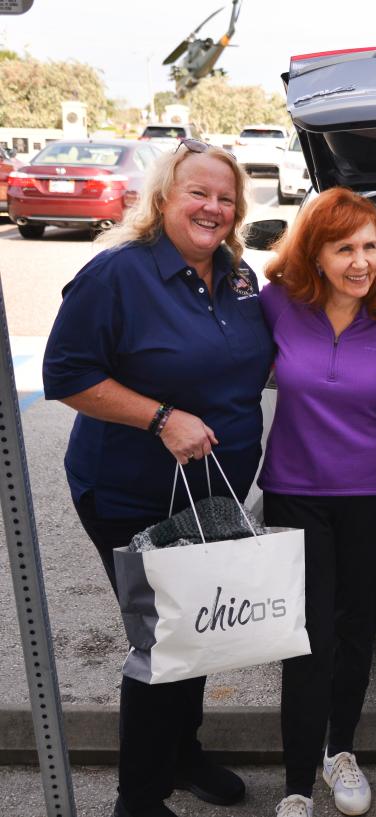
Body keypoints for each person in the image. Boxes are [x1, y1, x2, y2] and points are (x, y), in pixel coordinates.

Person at [42, 140, 271, 817]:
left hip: (213, 491)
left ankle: (183, 753)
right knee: (162, 639)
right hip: (130, 491)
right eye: (199, 192)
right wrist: (161, 416)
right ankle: (137, 798)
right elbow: (68, 376)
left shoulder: (239, 277)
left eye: (226, 197)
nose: (213, 207)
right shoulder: (117, 274)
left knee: (199, 626)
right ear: (165, 197)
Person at [258, 187, 376, 817]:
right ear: (314, 254)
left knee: (356, 630)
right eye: (344, 248)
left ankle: (341, 750)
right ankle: (297, 782)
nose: (362, 262)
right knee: (306, 638)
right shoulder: (276, 304)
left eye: (371, 248)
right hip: (294, 492)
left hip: (373, 493)